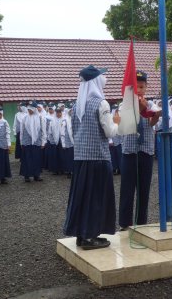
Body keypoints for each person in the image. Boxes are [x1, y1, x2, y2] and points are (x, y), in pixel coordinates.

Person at [63, 65, 121, 250]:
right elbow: (109, 132)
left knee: (83, 197)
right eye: (102, 76)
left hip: (81, 159)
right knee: (96, 199)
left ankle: (83, 235)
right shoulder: (101, 103)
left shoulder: (77, 105)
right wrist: (120, 124)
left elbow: (74, 133)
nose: (105, 79)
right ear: (96, 81)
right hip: (98, 158)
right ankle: (90, 236)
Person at [119, 70, 161, 231]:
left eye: (142, 87)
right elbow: (125, 124)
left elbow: (152, 123)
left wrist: (155, 115)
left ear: (146, 87)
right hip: (129, 151)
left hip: (145, 151)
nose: (140, 90)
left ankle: (141, 222)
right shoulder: (124, 105)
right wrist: (137, 109)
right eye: (136, 87)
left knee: (144, 189)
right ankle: (125, 223)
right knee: (127, 188)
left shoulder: (150, 104)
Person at [19, 101, 47, 182]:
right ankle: (26, 175)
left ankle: (36, 175)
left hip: (37, 142)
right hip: (26, 142)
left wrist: (43, 142)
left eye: (31, 109)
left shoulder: (40, 118)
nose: (29, 110)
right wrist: (21, 142)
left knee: (36, 159)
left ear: (35, 109)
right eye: (28, 109)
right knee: (26, 159)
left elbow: (43, 131)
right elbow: (22, 131)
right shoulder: (24, 118)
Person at [47, 107, 64, 174]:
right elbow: (50, 132)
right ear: (55, 113)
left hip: (62, 141)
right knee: (55, 156)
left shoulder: (64, 120)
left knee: (62, 156)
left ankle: (62, 169)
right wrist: (51, 140)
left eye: (59, 112)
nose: (58, 114)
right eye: (57, 112)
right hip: (54, 141)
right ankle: (55, 170)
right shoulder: (52, 121)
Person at [61, 103, 74, 178]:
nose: (71, 112)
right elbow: (62, 133)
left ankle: (74, 171)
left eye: (72, 110)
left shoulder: (75, 118)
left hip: (75, 142)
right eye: (70, 110)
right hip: (68, 142)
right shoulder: (65, 120)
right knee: (69, 158)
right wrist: (63, 144)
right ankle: (69, 172)